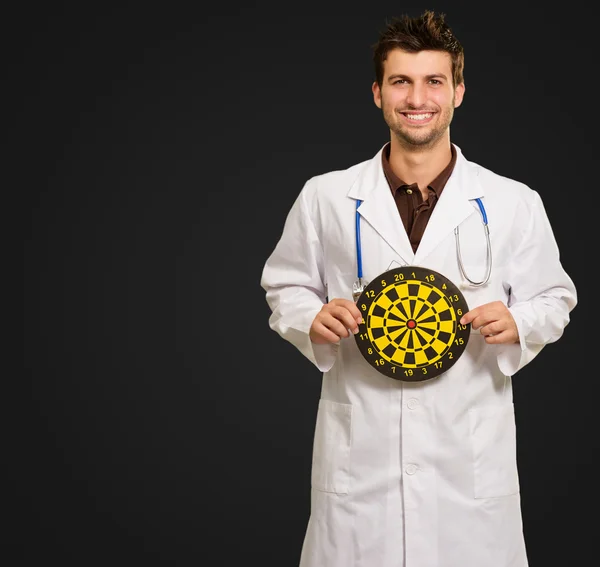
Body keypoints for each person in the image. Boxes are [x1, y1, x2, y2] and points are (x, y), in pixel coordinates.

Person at [260, 10, 577, 567]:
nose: (417, 98)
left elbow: (555, 297)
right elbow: (285, 285)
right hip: (362, 466)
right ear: (378, 92)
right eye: (401, 81)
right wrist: (309, 319)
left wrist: (519, 324)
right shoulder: (326, 197)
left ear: (458, 91)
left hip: (467, 464)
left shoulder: (512, 201)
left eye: (434, 81)